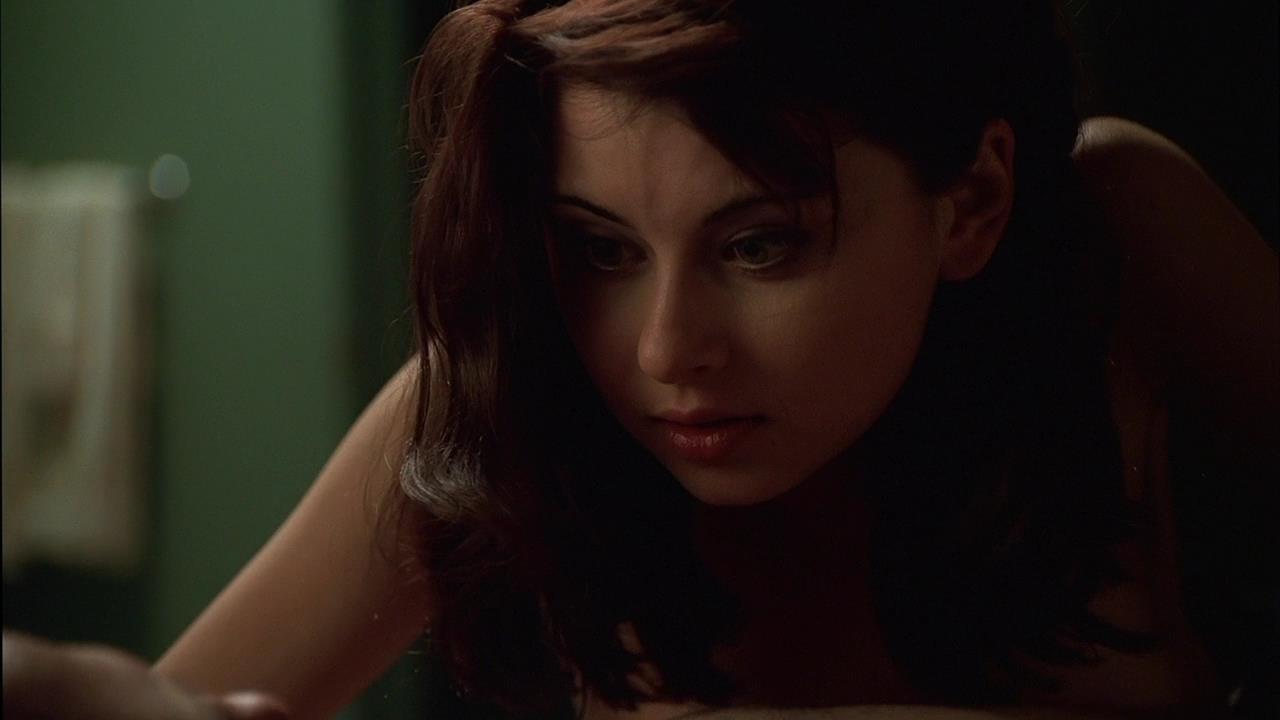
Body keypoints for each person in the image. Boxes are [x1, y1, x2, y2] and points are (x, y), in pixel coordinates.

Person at [4, 1, 1277, 718]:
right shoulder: (507, 389)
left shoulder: (1108, 239)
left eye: (760, 245)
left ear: (973, 200)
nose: (667, 351)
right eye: (600, 250)